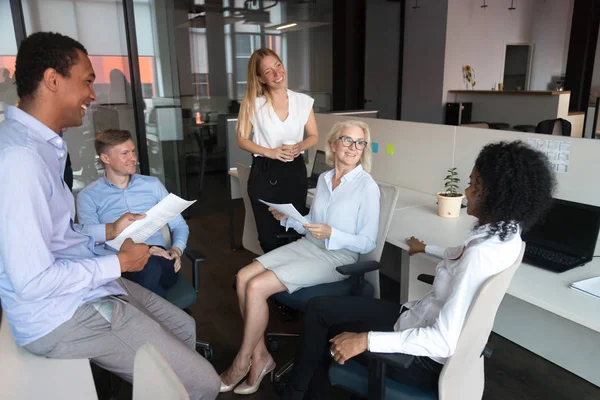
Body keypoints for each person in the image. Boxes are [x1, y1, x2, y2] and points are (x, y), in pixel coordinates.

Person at [0, 31, 220, 399]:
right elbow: (33, 280)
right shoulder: (20, 159)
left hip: (81, 286)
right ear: (53, 80)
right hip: (60, 314)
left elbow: (57, 236)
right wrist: (118, 264)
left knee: (182, 327)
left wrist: (109, 230)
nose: (93, 94)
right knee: (204, 384)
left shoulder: (40, 147)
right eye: (87, 81)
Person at [280, 141, 556, 400]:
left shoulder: (480, 257)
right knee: (320, 309)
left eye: (474, 185)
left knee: (326, 324)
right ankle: (303, 387)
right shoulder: (505, 236)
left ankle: (299, 391)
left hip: (420, 361)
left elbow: (442, 342)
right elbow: (458, 253)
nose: (467, 192)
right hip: (415, 317)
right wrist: (426, 248)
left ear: (495, 194)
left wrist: (364, 340)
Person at [220, 120, 380, 395]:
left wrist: (333, 232)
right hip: (308, 245)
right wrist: (290, 219)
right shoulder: (324, 179)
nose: (354, 147)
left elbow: (367, 242)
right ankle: (260, 359)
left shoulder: (367, 187)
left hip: (337, 257)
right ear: (333, 144)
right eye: (348, 140)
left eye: (360, 142)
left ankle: (241, 362)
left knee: (257, 286)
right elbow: (312, 224)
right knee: (243, 276)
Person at [77, 129, 189, 298]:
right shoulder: (88, 196)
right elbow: (91, 244)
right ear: (105, 158)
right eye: (125, 153)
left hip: (161, 258)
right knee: (147, 272)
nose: (133, 158)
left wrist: (176, 249)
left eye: (133, 151)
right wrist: (142, 252)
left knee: (150, 269)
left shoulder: (152, 185)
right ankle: (167, 318)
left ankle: (157, 320)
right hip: (120, 262)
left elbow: (179, 225)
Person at [237, 48, 318, 253]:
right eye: (268, 71)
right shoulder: (253, 104)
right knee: (270, 237)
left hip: (294, 172)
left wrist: (300, 146)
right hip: (265, 172)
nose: (277, 73)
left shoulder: (303, 101)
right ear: (260, 78)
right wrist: (270, 152)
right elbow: (242, 140)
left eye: (278, 66)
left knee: (295, 233)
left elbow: (314, 136)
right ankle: (273, 282)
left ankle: (292, 281)